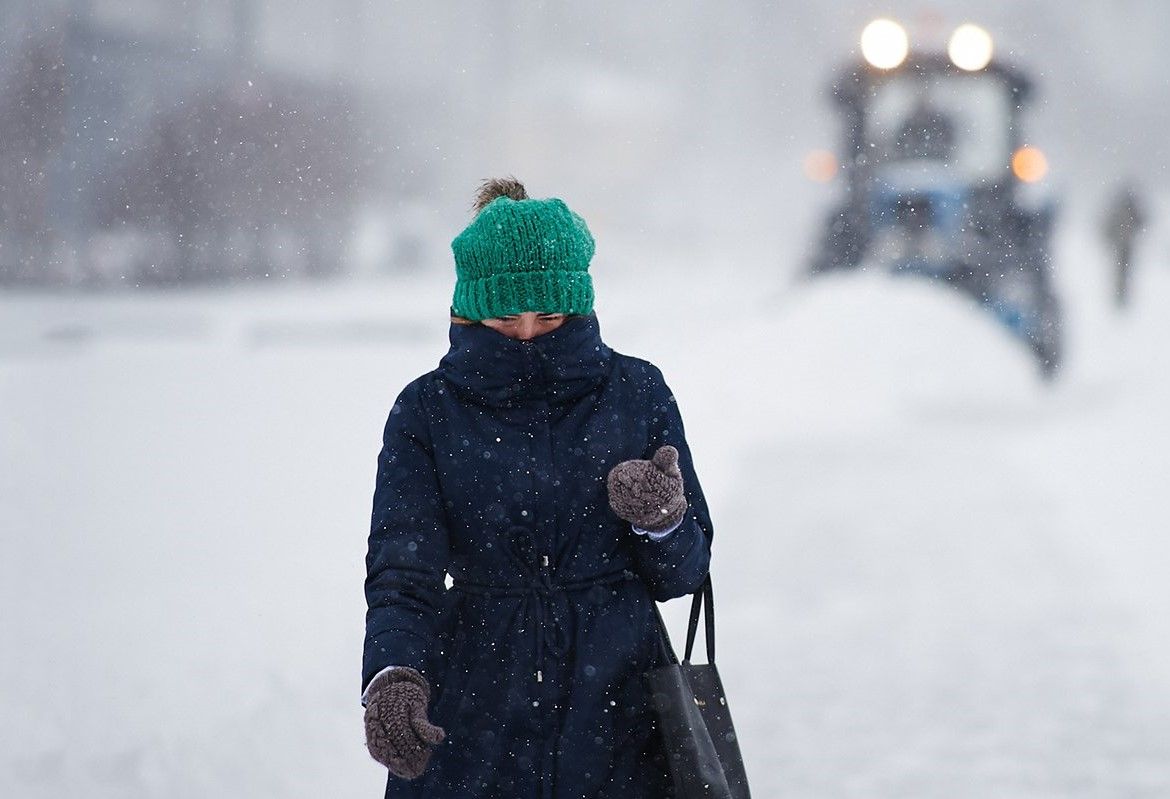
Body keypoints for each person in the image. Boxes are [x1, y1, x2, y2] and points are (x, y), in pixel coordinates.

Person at [361, 178, 714, 798]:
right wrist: (394, 675)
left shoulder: (635, 393)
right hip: (475, 705)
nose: (527, 334)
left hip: (621, 707)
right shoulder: (426, 412)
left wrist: (661, 520)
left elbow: (683, 575)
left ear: (577, 306)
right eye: (505, 317)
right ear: (469, 310)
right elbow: (402, 572)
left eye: (548, 316)